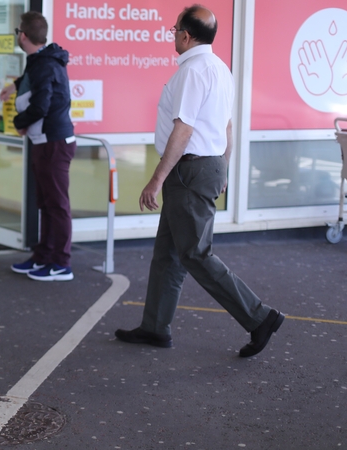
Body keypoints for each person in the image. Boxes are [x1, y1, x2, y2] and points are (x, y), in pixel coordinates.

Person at [115, 5, 284, 357]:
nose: (172, 34)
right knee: (168, 254)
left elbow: (184, 129)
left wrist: (155, 179)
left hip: (189, 171)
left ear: (186, 36)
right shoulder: (220, 69)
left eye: (174, 29)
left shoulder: (193, 71)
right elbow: (227, 126)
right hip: (201, 168)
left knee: (195, 254)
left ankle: (259, 317)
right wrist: (223, 166)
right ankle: (154, 328)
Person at [0, 11, 76, 281]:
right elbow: (34, 80)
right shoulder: (40, 61)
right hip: (44, 142)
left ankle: (61, 263)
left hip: (53, 143)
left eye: (17, 32)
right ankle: (43, 256)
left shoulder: (45, 64)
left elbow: (41, 105)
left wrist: (20, 121)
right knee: (45, 203)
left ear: (22, 35)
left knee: (56, 204)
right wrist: (14, 86)